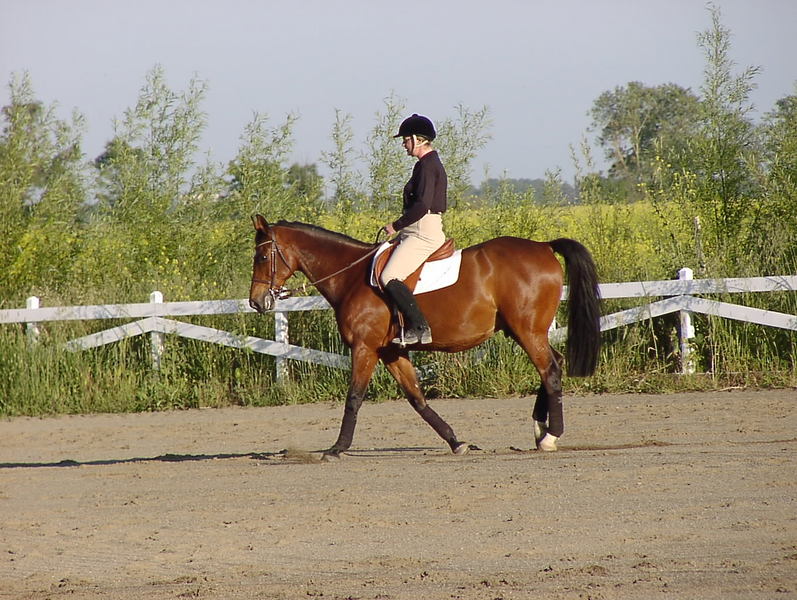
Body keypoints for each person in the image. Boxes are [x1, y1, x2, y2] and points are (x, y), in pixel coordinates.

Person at [380, 114, 448, 346]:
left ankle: (420, 327)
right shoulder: (425, 164)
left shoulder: (427, 166)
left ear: (418, 140)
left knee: (389, 276)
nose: (403, 144)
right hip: (416, 229)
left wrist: (395, 225)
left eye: (405, 140)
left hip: (422, 231)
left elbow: (421, 206)